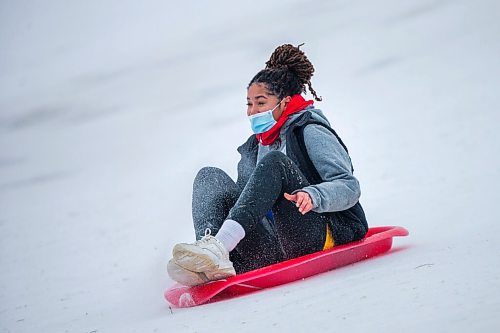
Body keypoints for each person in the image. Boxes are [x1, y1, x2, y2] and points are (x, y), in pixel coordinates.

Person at [167, 43, 368, 286]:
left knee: (276, 163)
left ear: (284, 102)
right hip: (272, 248)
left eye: (260, 103)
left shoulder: (311, 131)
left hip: (320, 233)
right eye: (249, 104)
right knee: (209, 175)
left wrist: (313, 195)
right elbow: (249, 204)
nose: (252, 112)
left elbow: (349, 187)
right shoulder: (256, 145)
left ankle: (218, 250)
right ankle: (208, 258)